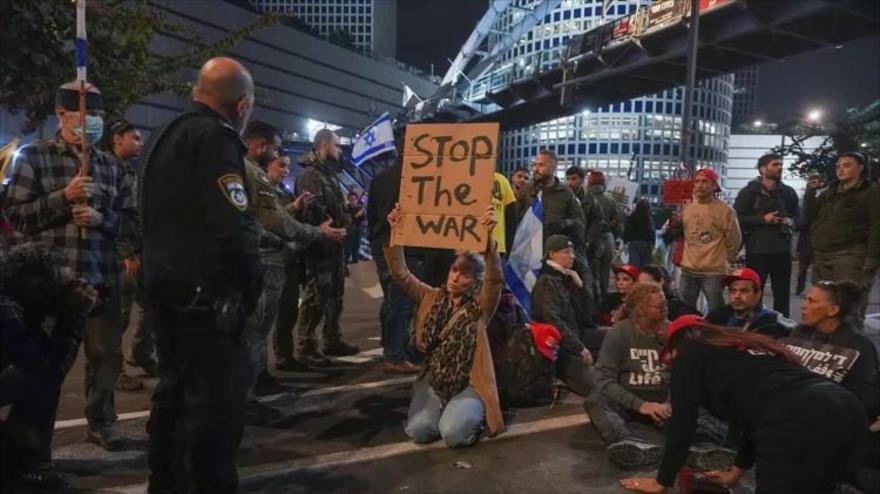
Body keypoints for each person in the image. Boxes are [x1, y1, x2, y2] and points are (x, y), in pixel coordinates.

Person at [139, 57, 263, 493]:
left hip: (163, 292)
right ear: (242, 104)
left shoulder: (161, 136)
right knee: (214, 413)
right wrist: (250, 287)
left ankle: (165, 484)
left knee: (171, 399)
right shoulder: (215, 139)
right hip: (207, 301)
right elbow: (235, 226)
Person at [3, 81, 137, 451]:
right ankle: (32, 444)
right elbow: (16, 216)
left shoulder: (111, 166)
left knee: (106, 355)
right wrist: (64, 198)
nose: (93, 121)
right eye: (85, 113)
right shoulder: (35, 157)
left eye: (98, 115)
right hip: (49, 284)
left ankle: (103, 422)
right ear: (62, 113)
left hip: (100, 276)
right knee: (43, 367)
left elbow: (131, 220)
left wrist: (101, 218)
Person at [620, 316, 867, 494]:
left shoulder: (690, 353)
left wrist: (662, 481)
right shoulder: (747, 345)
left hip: (798, 418)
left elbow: (682, 425)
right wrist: (736, 471)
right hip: (847, 407)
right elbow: (755, 414)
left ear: (677, 345)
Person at [241, 121, 343, 422]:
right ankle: (245, 397)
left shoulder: (242, 171)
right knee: (255, 331)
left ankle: (257, 378)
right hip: (265, 255)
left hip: (264, 255)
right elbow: (276, 223)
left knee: (257, 330)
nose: (278, 159)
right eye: (274, 151)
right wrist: (318, 233)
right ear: (261, 146)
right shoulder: (252, 173)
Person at [387, 203, 503, 448]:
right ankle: (444, 408)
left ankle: (471, 413)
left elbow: (495, 279)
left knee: (454, 435)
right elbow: (401, 274)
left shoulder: (481, 306)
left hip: (469, 382)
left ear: (475, 281)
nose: (455, 277)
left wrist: (489, 239)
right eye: (454, 270)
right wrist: (396, 233)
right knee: (420, 431)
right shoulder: (430, 297)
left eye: (464, 274)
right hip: (434, 379)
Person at [0, 242, 99, 490]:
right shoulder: (6, 308)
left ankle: (25, 463)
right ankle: (24, 466)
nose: (72, 287)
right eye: (63, 284)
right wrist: (74, 316)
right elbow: (46, 372)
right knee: (34, 380)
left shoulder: (14, 294)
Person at [585, 282, 673, 468]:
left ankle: (701, 445)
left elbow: (686, 376)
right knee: (595, 401)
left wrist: (670, 402)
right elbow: (603, 379)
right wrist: (640, 405)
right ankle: (628, 443)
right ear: (641, 309)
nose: (666, 309)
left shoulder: (673, 331)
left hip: (663, 402)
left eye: (665, 304)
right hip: (629, 401)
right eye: (660, 306)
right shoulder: (620, 333)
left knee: (699, 401)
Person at [295, 128, 359, 359]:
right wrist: (332, 229)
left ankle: (332, 340)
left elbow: (338, 208)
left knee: (334, 296)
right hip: (320, 247)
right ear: (323, 146)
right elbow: (314, 212)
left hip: (334, 245)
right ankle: (306, 348)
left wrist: (347, 222)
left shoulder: (329, 174)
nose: (340, 150)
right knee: (316, 298)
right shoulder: (312, 175)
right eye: (336, 146)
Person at [101, 118, 153, 392]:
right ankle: (115, 370)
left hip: (138, 252)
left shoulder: (129, 171)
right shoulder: (107, 168)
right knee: (117, 317)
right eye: (134, 137)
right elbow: (117, 215)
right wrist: (128, 253)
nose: (140, 143)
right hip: (119, 256)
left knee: (151, 305)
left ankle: (142, 353)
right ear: (117, 138)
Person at [804, 151, 880, 326]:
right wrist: (810, 192)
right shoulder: (829, 192)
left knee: (849, 309)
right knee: (821, 305)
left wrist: (872, 258)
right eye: (838, 166)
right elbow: (809, 218)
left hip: (851, 254)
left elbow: (877, 226)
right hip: (823, 255)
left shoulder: (871, 193)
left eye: (847, 165)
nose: (841, 169)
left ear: (860, 168)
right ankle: (824, 347)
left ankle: (851, 348)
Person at [793, 280, 879, 417]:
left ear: (833, 310)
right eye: (805, 299)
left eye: (812, 301)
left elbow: (866, 399)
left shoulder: (857, 346)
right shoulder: (800, 331)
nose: (803, 306)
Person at [733, 154, 799, 317]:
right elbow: (736, 219)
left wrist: (789, 221)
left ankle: (781, 327)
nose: (780, 168)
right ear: (763, 169)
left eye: (780, 165)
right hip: (757, 250)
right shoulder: (748, 192)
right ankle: (754, 324)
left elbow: (799, 218)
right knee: (755, 292)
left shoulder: (788, 192)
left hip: (782, 250)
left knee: (782, 294)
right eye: (775, 164)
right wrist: (763, 219)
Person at [531, 234, 597, 397]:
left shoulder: (565, 277)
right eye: (566, 252)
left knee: (610, 336)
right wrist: (579, 348)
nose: (572, 256)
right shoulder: (547, 281)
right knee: (595, 387)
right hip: (561, 346)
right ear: (552, 254)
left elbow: (589, 313)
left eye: (572, 252)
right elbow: (553, 322)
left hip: (575, 334)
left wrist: (580, 286)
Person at [678, 168, 742, 313]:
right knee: (684, 311)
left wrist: (725, 260)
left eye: (705, 181)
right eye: (697, 181)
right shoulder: (688, 209)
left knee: (716, 312)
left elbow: (734, 239)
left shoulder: (725, 211)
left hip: (713, 271)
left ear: (714, 186)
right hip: (688, 269)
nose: (700, 185)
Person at [705, 267, 794, 338]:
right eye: (733, 291)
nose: (737, 296)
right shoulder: (717, 316)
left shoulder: (771, 320)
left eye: (744, 291)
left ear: (758, 294)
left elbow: (799, 331)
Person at [586, 170, 622, 300]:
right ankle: (605, 299)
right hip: (609, 239)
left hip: (593, 239)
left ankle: (595, 301)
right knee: (605, 273)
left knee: (592, 273)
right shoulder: (611, 200)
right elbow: (618, 223)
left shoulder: (586, 199)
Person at [623, 198, 656, 269]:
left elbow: (626, 229)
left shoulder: (631, 217)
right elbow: (651, 231)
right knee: (645, 266)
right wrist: (653, 243)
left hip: (633, 243)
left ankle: (634, 279)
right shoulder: (648, 218)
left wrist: (625, 241)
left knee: (633, 266)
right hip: (645, 244)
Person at [492, 172, 517, 258]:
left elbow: (511, 220)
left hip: (496, 247)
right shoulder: (464, 178)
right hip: (466, 247)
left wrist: (508, 248)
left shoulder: (502, 180)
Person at [346, 191, 366, 264]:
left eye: (354, 199)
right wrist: (357, 215)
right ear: (348, 200)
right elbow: (348, 220)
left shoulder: (360, 208)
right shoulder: (346, 209)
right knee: (347, 248)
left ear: (357, 200)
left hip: (357, 230)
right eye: (351, 199)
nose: (352, 201)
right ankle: (346, 263)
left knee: (356, 246)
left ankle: (355, 262)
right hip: (348, 230)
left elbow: (364, 220)